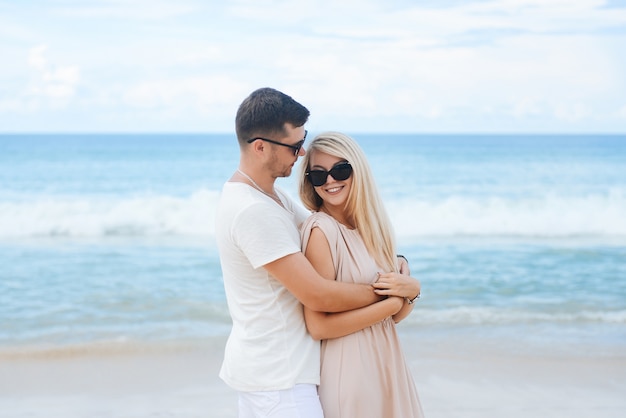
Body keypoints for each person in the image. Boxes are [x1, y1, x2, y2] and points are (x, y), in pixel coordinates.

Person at [215, 87, 414, 418]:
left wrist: (398, 264)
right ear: (261, 147)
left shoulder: (273, 199)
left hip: (278, 375)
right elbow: (319, 295)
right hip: (279, 381)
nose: (302, 151)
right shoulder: (252, 210)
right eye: (295, 146)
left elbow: (342, 238)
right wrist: (391, 296)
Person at [298, 131, 425, 418]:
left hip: (388, 362)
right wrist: (393, 302)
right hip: (350, 372)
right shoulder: (322, 231)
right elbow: (318, 326)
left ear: (358, 170)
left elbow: (395, 318)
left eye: (340, 170)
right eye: (318, 175)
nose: (330, 180)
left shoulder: (375, 230)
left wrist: (411, 291)